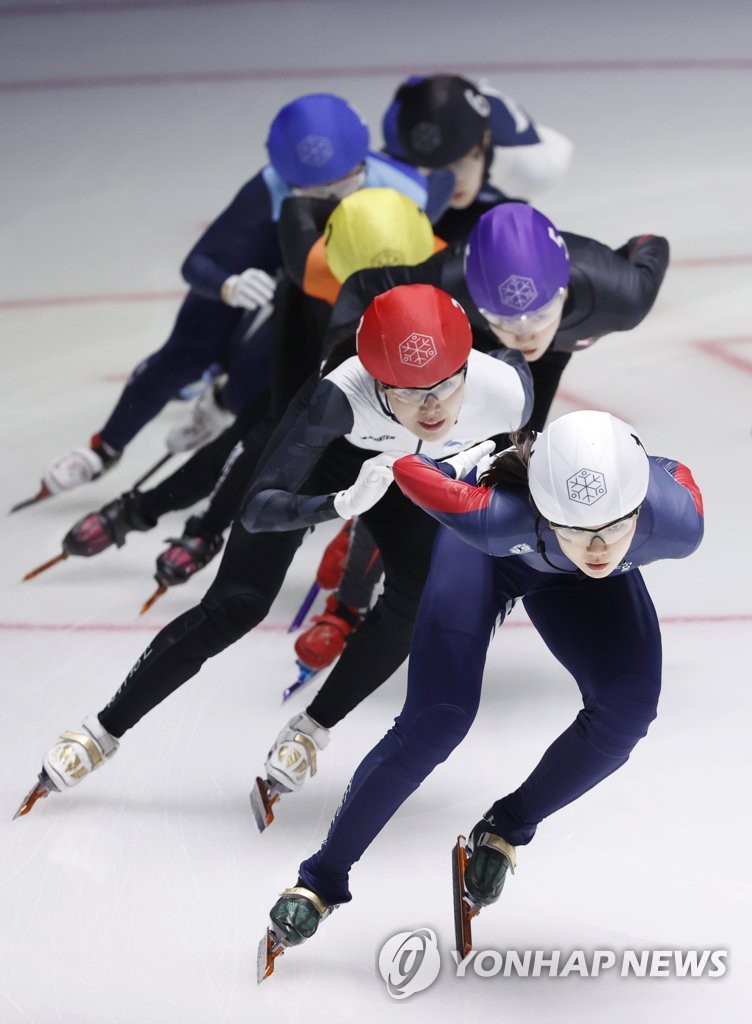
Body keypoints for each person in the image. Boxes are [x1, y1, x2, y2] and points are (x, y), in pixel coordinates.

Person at [16, 284, 532, 817]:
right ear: (376, 381)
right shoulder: (340, 396)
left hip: (408, 471)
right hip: (330, 465)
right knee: (238, 603)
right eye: (406, 392)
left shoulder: (505, 391)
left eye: (446, 388)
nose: (431, 408)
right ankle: (101, 730)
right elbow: (260, 507)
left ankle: (312, 730)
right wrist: (338, 503)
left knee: (421, 591)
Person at [261, 410, 704, 956]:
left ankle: (507, 826)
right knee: (438, 719)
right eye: (578, 530)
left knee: (629, 710)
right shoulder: (494, 517)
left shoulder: (676, 524)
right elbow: (407, 469)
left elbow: (675, 470)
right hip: (486, 559)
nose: (597, 548)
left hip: (573, 577)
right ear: (545, 511)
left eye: (615, 527)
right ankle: (321, 879)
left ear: (639, 506)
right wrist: (466, 458)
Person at [291, 201, 670, 681]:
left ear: (567, 287)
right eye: (505, 317)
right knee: (414, 459)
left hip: (554, 343)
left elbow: (650, 245)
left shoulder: (621, 294)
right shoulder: (449, 277)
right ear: (477, 296)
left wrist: (609, 257)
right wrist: (345, 365)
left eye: (539, 314)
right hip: (472, 346)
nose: (524, 333)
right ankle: (347, 602)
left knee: (513, 454)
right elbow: (365, 287)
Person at [31, 93, 439, 501]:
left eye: (343, 185)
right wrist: (228, 285)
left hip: (320, 283)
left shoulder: (408, 192)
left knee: (263, 378)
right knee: (187, 351)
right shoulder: (267, 188)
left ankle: (221, 402)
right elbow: (197, 263)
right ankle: (103, 449)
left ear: (363, 161)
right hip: (268, 262)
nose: (328, 199)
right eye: (310, 190)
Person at [47, 189, 441, 587]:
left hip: (371, 349)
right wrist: (343, 202)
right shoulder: (317, 266)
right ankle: (176, 521)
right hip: (315, 330)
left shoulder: (433, 261)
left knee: (280, 437)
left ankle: (154, 516)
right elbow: (296, 205)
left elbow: (295, 205)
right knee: (268, 431)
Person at [381, 73, 573, 241]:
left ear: (486, 139)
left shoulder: (530, 164)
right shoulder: (396, 149)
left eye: (460, 161)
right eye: (434, 166)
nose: (452, 179)